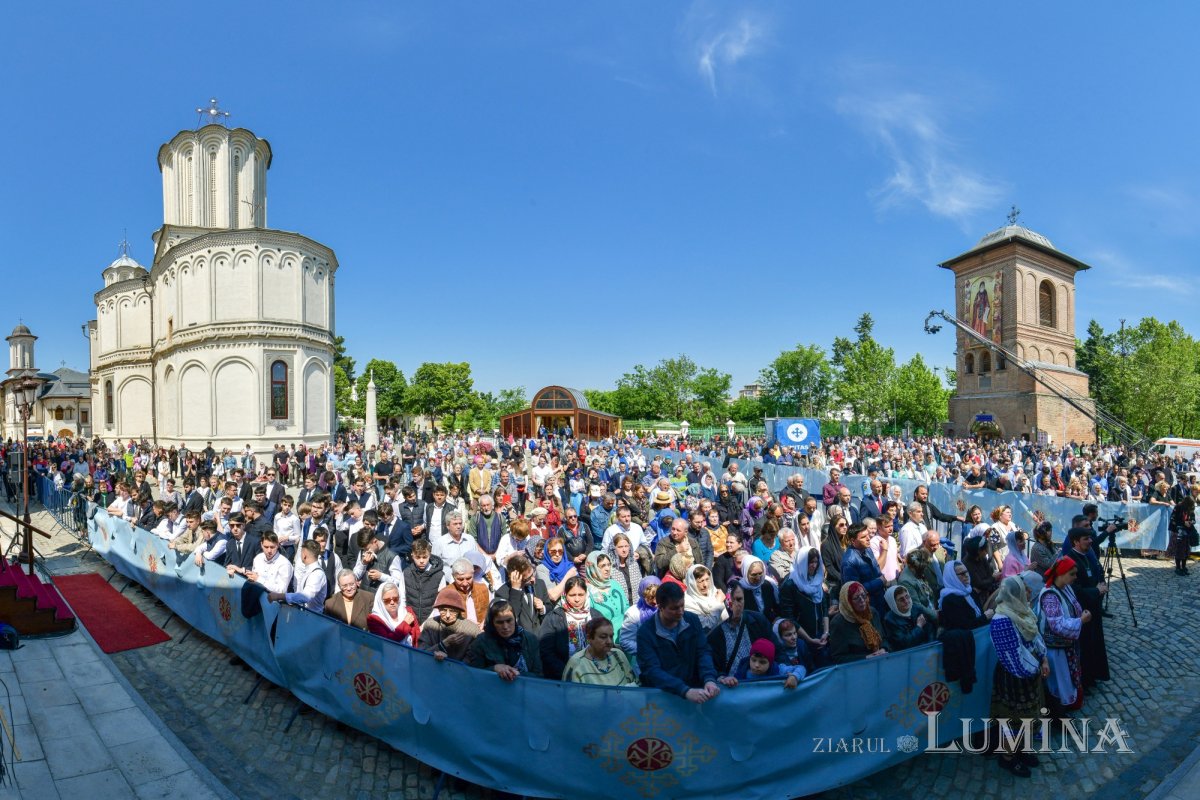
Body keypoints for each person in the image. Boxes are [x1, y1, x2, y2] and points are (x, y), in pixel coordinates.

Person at [637, 582, 736, 703]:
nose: (680, 611)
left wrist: (709, 678)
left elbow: (703, 652)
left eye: (682, 606)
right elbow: (652, 671)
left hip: (694, 690)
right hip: (664, 697)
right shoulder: (646, 633)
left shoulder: (692, 620)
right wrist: (684, 690)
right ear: (660, 607)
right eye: (674, 608)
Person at [990, 575, 1049, 777]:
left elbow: (1036, 638)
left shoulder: (1022, 610)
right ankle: (1007, 758)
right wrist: (1035, 668)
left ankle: (1022, 750)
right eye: (1025, 589)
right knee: (1012, 720)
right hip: (1014, 676)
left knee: (1028, 717)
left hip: (1030, 673)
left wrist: (1044, 659)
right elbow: (1014, 659)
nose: (1030, 592)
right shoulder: (1001, 620)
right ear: (1015, 594)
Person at [1038, 556, 1087, 714]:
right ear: (1061, 574)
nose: (1075, 577)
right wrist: (1080, 621)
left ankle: (1063, 706)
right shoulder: (1051, 596)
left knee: (1065, 678)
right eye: (1072, 574)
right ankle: (1057, 712)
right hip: (1056, 649)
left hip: (1066, 646)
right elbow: (1057, 625)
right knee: (1059, 681)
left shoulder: (1064, 587)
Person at [1063, 526, 1110, 688]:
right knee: (1085, 646)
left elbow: (1097, 572)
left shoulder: (1088, 555)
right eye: (1086, 539)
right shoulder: (1070, 559)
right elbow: (1074, 589)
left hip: (1094, 607)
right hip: (1082, 610)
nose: (1090, 541)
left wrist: (1101, 585)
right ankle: (1085, 680)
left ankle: (1095, 675)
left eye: (1090, 538)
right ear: (1076, 542)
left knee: (1095, 643)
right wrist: (1096, 590)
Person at [539, 576, 603, 680]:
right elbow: (546, 651)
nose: (577, 599)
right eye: (572, 595)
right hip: (564, 677)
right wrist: (566, 673)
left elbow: (606, 644)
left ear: (586, 594)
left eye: (581, 595)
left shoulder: (596, 616)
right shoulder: (554, 618)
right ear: (565, 595)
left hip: (595, 675)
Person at [707, 583, 777, 675]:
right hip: (731, 686)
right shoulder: (715, 633)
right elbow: (712, 666)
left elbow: (777, 650)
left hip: (760, 682)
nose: (736, 605)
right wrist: (721, 677)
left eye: (739, 599)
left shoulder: (758, 621)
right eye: (730, 601)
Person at [467, 600, 543, 680]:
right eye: (499, 622)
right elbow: (474, 675)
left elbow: (539, 674)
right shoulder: (481, 642)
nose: (505, 627)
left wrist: (516, 675)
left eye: (509, 620)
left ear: (515, 619)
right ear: (492, 623)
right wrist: (494, 669)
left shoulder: (530, 639)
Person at [779, 547, 829, 659]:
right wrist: (809, 639)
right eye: (810, 562)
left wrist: (826, 632)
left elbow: (824, 607)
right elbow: (789, 617)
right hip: (801, 638)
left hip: (820, 634)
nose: (814, 566)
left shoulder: (817, 579)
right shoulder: (790, 585)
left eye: (816, 562)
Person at [562, 618, 639, 686]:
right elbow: (570, 697)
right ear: (589, 638)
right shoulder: (577, 663)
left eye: (611, 636)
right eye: (603, 637)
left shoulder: (618, 654)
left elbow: (633, 684)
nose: (609, 641)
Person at [828, 581, 887, 663]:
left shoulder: (872, 612)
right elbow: (838, 657)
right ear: (847, 602)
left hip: (880, 662)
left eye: (863, 595)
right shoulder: (838, 623)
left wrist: (883, 649)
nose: (862, 600)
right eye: (856, 598)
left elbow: (884, 639)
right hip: (857, 668)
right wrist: (866, 658)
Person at [418, 585, 481, 661]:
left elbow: (475, 658)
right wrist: (443, 644)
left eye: (452, 611)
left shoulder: (472, 630)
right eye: (443, 610)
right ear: (438, 609)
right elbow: (421, 653)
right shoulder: (430, 624)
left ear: (459, 611)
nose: (447, 615)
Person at [492, 553, 549, 634]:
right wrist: (515, 590)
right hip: (521, 641)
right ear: (515, 577)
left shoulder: (539, 584)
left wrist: (543, 608)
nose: (533, 579)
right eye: (528, 578)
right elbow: (511, 618)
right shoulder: (502, 593)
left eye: (533, 574)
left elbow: (549, 606)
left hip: (541, 639)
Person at [583, 551, 629, 641]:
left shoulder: (614, 584)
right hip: (606, 642)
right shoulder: (587, 591)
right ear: (592, 568)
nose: (607, 568)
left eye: (609, 564)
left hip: (628, 635)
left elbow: (627, 607)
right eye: (602, 566)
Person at [938, 560, 992, 630]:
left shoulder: (971, 592)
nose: (966, 575)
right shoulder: (949, 600)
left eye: (966, 572)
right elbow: (963, 627)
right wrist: (984, 617)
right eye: (962, 574)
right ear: (952, 577)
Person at [732, 638, 803, 689]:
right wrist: (729, 680)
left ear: (771, 662)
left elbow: (801, 668)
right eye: (753, 660)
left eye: (762, 662)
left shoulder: (779, 670)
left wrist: (795, 677)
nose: (756, 665)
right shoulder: (742, 671)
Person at [619, 576, 660, 663]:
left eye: (658, 597)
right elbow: (625, 641)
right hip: (644, 662)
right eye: (651, 597)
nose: (655, 602)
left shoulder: (665, 608)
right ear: (643, 595)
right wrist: (647, 650)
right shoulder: (633, 613)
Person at [881, 585, 934, 652]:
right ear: (893, 603)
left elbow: (930, 630)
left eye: (907, 596)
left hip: (926, 649)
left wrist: (930, 648)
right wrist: (919, 626)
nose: (906, 601)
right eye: (901, 599)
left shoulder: (916, 608)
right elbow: (904, 643)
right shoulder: (889, 620)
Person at [366, 581, 420, 646]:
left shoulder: (408, 612)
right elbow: (387, 641)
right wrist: (405, 624)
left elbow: (417, 637)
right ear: (380, 601)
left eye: (395, 599)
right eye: (387, 600)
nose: (392, 602)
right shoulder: (373, 619)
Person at [683, 564, 727, 632]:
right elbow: (706, 627)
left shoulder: (713, 592)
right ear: (692, 583)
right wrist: (718, 603)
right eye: (700, 581)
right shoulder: (687, 603)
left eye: (707, 579)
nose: (705, 585)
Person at [962, 536, 999, 612]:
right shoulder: (967, 563)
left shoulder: (982, 559)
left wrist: (990, 580)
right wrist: (993, 578)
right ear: (979, 551)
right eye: (985, 550)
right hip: (976, 597)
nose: (986, 552)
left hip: (986, 592)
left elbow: (989, 575)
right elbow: (979, 583)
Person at [737, 554, 779, 620]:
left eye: (760, 573)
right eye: (754, 575)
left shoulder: (768, 585)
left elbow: (776, 607)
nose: (758, 578)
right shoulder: (739, 589)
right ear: (745, 573)